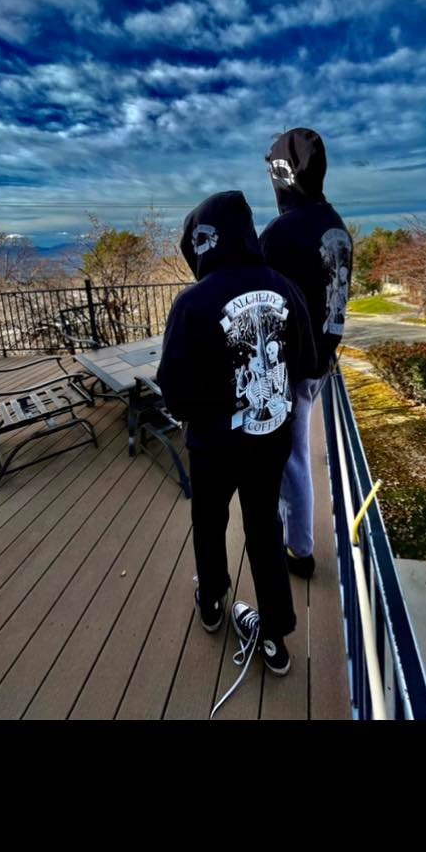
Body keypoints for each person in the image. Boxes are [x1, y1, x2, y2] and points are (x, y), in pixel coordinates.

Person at [157, 190, 317, 677]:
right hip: (271, 441)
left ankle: (211, 602)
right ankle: (274, 634)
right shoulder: (286, 288)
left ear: (200, 243)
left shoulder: (192, 303)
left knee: (209, 522)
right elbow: (306, 364)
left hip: (213, 447)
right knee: (265, 528)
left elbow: (174, 392)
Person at [260, 128, 353, 578]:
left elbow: (259, 299)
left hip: (292, 366)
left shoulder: (281, 232)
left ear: (284, 173)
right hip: (322, 360)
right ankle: (294, 535)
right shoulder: (336, 224)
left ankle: (299, 550)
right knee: (295, 452)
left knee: (290, 459)